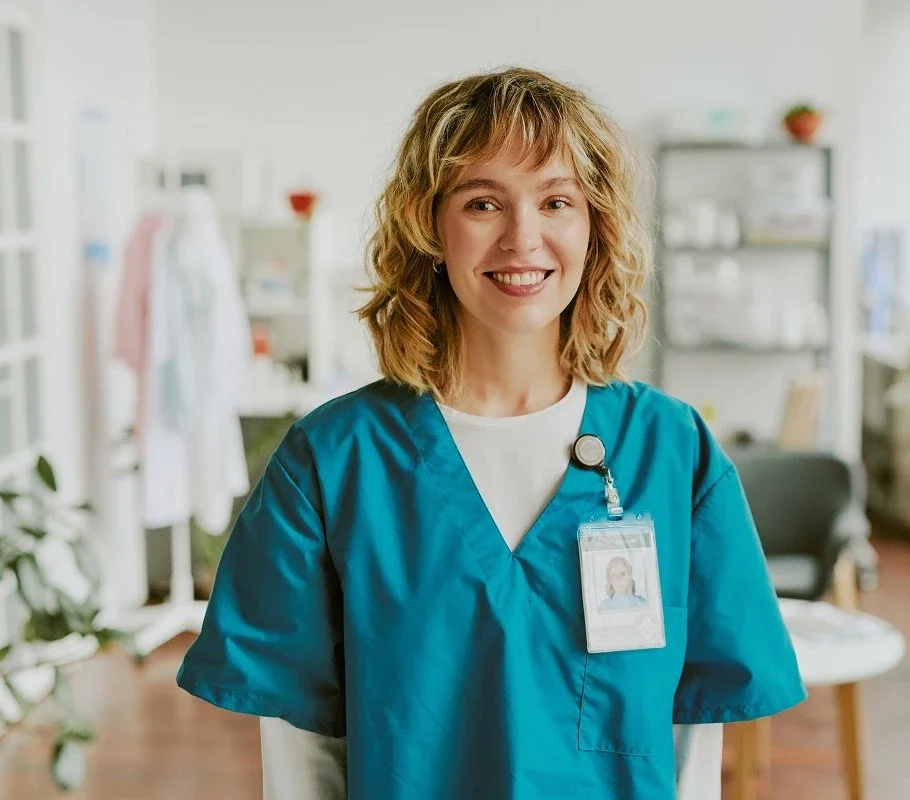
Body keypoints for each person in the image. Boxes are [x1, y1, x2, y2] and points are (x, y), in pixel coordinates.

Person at [176, 66, 806, 800]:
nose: (523, 238)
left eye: (557, 201)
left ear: (595, 224)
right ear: (429, 225)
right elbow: (302, 746)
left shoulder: (672, 452)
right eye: (483, 202)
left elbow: (691, 736)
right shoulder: (332, 464)